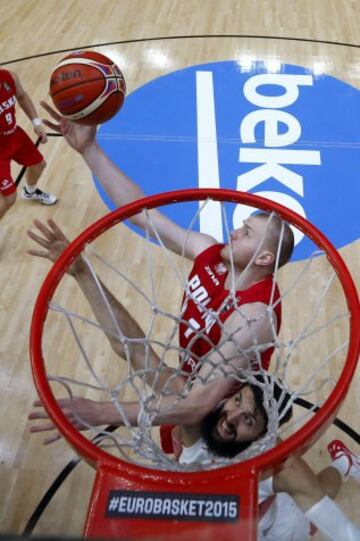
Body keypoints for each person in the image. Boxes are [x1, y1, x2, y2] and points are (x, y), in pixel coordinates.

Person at [38, 103, 294, 453]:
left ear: (265, 258)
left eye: (247, 232)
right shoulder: (210, 252)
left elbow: (201, 403)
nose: (235, 232)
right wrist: (89, 150)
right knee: (138, 354)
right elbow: (144, 215)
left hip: (225, 411)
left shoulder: (254, 316)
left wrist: (100, 411)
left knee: (200, 458)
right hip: (190, 384)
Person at [0, 69, 57, 222]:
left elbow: (22, 96)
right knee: (9, 199)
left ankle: (30, 191)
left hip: (13, 135)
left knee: (39, 165)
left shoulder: (9, 76)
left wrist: (36, 123)